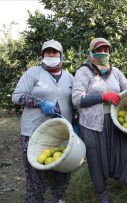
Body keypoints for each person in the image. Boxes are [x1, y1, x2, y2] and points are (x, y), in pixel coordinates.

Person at [72, 38, 127, 203]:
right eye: (99, 50)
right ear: (91, 52)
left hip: (117, 121)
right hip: (92, 124)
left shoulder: (116, 72)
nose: (103, 53)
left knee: (126, 153)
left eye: (106, 50)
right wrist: (102, 96)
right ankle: (103, 194)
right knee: (96, 158)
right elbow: (77, 99)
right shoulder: (83, 72)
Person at [12, 39, 73, 203]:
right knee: (36, 176)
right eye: (48, 52)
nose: (51, 55)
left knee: (61, 172)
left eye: (55, 52)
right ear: (42, 55)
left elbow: (75, 103)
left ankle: (58, 199)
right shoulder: (34, 73)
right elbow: (16, 96)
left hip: (61, 134)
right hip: (34, 133)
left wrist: (76, 124)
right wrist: (40, 102)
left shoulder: (69, 77)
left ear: (61, 55)